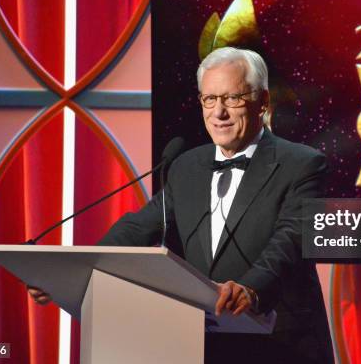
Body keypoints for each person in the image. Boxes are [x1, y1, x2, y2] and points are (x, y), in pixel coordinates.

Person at [30, 47, 333, 363]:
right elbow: (139, 227)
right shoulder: (186, 165)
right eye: (210, 99)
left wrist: (250, 289)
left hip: (281, 347)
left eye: (233, 99)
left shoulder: (303, 163)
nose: (219, 112)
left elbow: (289, 241)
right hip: (201, 346)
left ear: (263, 102)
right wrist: (73, 272)